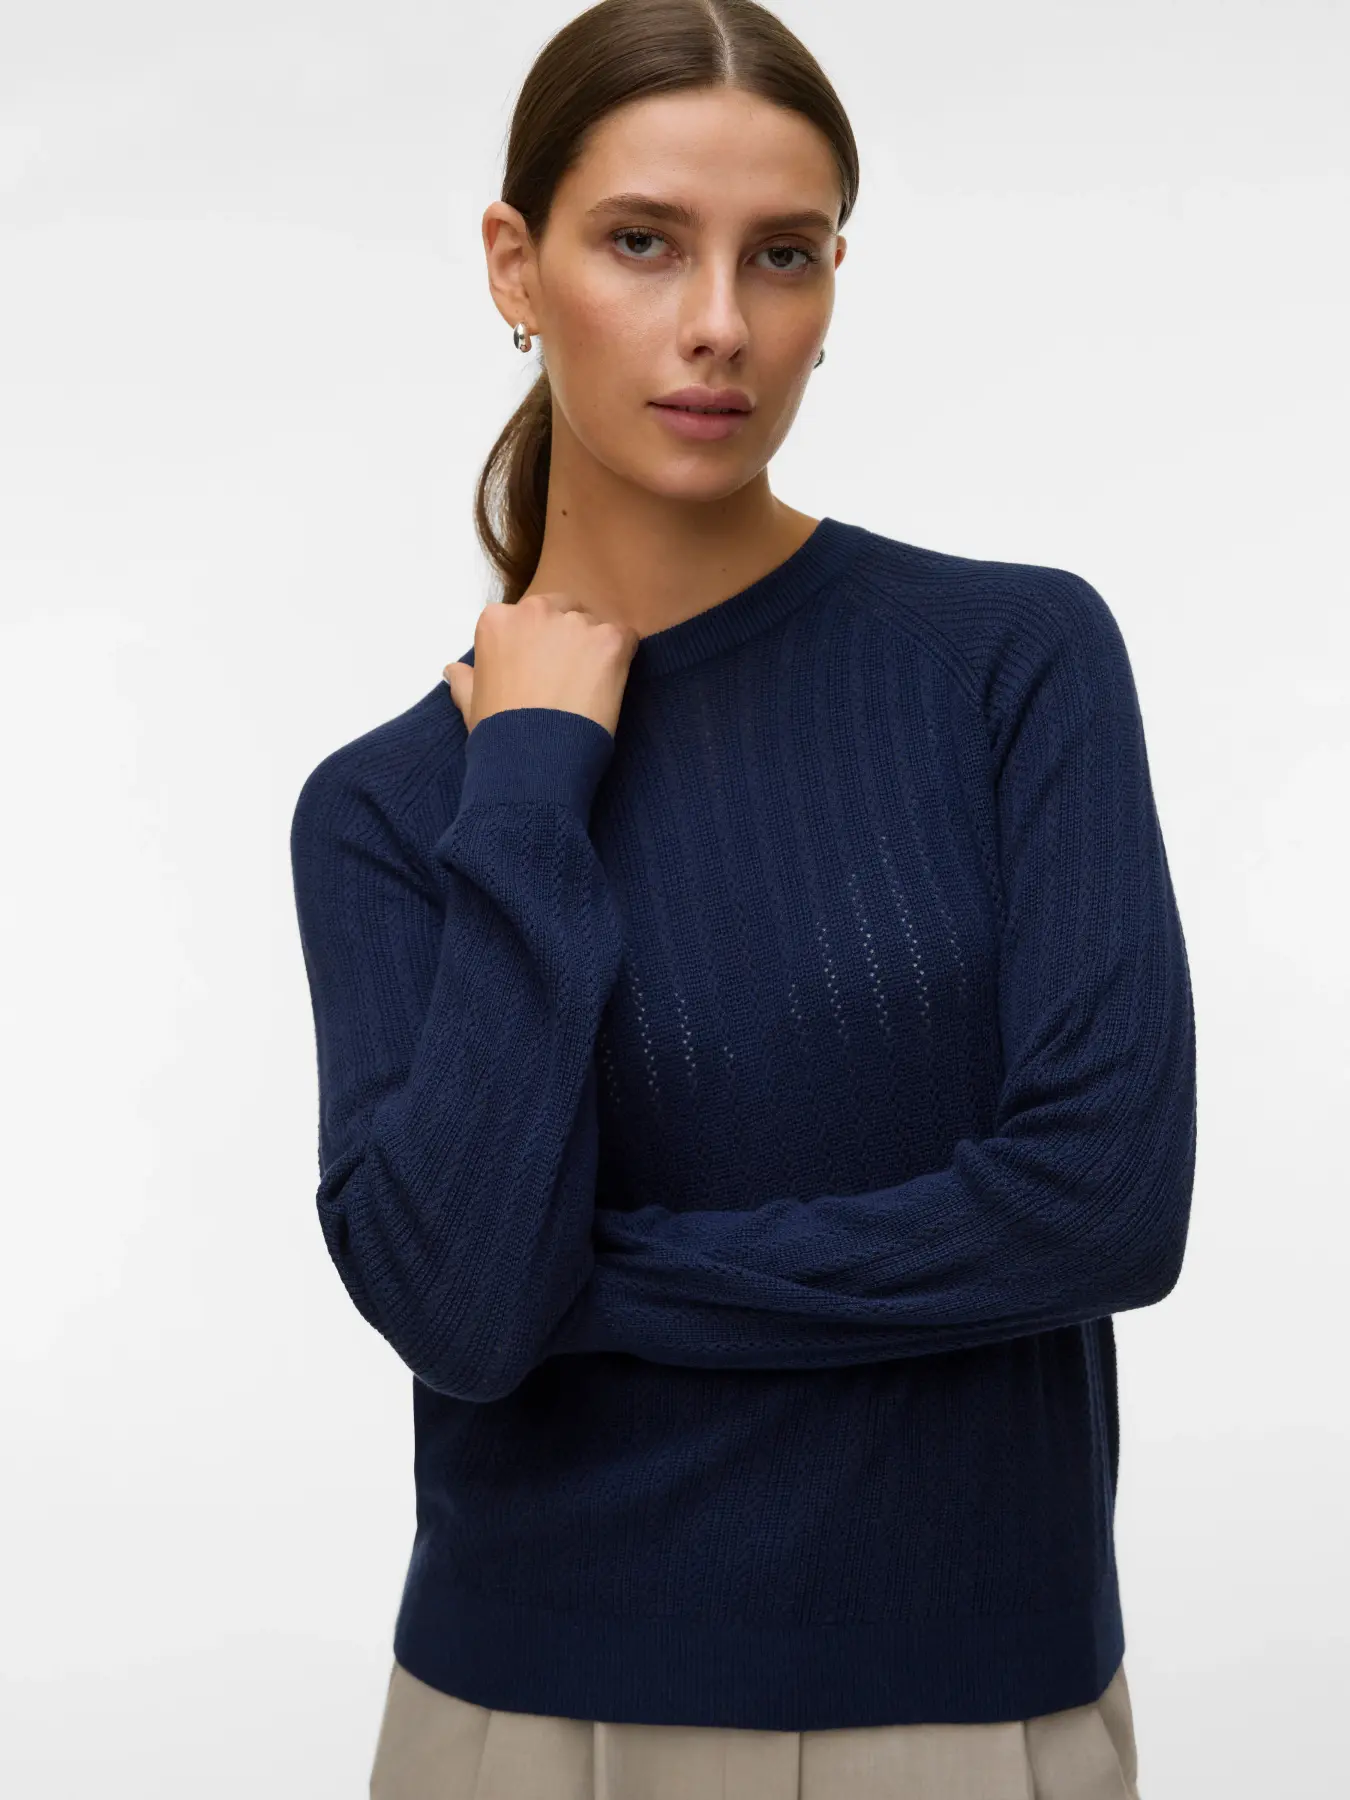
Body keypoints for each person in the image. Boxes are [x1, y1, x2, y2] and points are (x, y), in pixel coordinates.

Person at [288, 1, 1195, 1794]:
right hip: (525, 1718)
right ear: (515, 265)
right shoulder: (394, 809)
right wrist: (529, 777)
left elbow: (1102, 1209)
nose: (718, 322)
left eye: (780, 255)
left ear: (831, 284)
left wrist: (584, 1280)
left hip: (966, 1708)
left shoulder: (1008, 661)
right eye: (643, 242)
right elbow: (463, 1312)